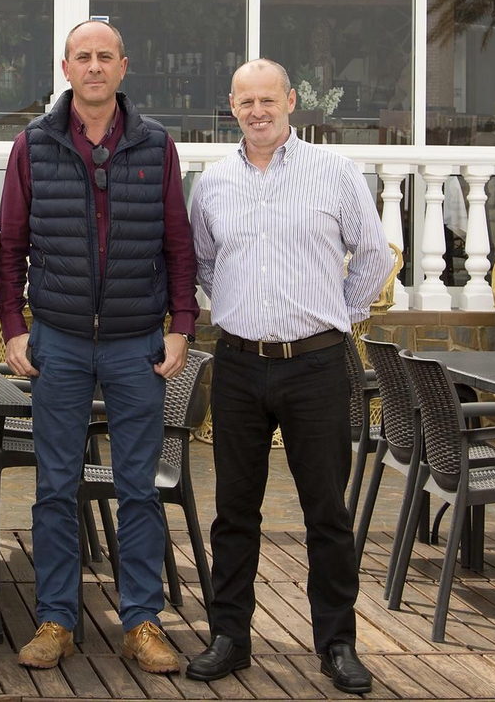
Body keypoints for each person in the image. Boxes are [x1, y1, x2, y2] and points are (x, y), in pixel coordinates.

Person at [0, 19, 198, 674]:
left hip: (136, 343)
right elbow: (11, 245)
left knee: (138, 489)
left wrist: (181, 325)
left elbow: (178, 243)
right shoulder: (32, 145)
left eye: (105, 56)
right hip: (57, 341)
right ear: (66, 68)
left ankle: (142, 622)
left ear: (123, 66)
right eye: (82, 56)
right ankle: (56, 619)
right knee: (55, 487)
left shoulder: (155, 144)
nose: (94, 67)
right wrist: (13, 324)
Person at [185, 58, 391, 696]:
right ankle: (230, 637)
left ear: (291, 101)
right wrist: (245, 311)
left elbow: (373, 257)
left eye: (267, 99)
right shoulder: (213, 183)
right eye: (245, 101)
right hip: (239, 365)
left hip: (317, 366)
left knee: (326, 510)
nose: (257, 111)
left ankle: (337, 644)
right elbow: (205, 265)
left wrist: (333, 318)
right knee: (233, 509)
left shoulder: (335, 172)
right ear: (232, 107)